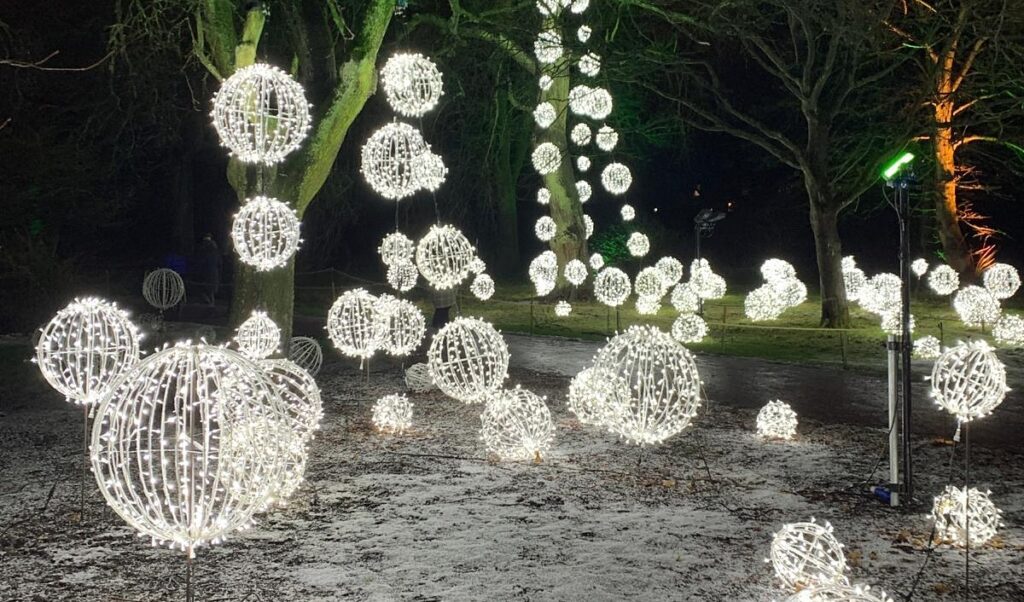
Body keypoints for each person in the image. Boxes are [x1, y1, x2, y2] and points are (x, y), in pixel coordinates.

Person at [195, 233, 221, 306]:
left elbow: (200, 260)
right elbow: (219, 262)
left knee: (204, 289)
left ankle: (209, 303)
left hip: (206, 271)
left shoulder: (203, 247)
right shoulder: (215, 249)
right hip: (212, 271)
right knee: (209, 290)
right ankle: (210, 303)